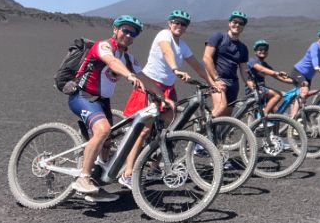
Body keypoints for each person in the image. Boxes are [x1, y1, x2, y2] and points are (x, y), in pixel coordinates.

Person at [118, 10, 205, 189]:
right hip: (151, 84)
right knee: (144, 130)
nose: (179, 26)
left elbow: (197, 65)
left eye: (183, 24)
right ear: (169, 23)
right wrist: (175, 69)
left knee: (167, 128)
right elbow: (167, 52)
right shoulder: (164, 35)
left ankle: (153, 167)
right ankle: (127, 173)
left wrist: (214, 82)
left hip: (168, 88)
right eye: (176, 22)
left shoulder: (182, 45)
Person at [67, 15, 146, 199]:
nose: (128, 35)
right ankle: (83, 178)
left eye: (133, 33)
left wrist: (162, 97)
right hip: (83, 96)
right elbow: (112, 62)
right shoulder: (103, 46)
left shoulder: (129, 58)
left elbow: (146, 78)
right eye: (125, 30)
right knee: (102, 131)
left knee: (107, 143)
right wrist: (129, 75)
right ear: (115, 30)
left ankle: (96, 183)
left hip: (103, 101)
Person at [203, 10, 255, 118]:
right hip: (217, 79)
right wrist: (216, 79)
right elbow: (207, 58)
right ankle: (203, 126)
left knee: (226, 117)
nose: (237, 25)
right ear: (229, 23)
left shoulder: (243, 48)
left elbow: (244, 70)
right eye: (235, 22)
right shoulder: (218, 37)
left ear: (243, 27)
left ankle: (215, 129)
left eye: (241, 23)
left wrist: (253, 86)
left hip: (233, 83)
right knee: (221, 107)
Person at [246, 39, 293, 115]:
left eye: (265, 49)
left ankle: (273, 119)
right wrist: (277, 73)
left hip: (262, 89)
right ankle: (263, 115)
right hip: (253, 89)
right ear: (255, 52)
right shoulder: (252, 60)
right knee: (277, 95)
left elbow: (279, 77)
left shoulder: (266, 65)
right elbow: (262, 69)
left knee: (276, 112)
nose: (263, 51)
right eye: (260, 49)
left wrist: (294, 81)